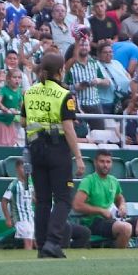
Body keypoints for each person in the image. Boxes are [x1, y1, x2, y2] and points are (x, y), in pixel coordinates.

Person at [22, 50, 83, 259]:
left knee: (42, 201)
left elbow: (23, 121)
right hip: (57, 149)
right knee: (64, 199)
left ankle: (41, 246)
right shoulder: (64, 94)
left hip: (35, 148)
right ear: (61, 70)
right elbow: (69, 129)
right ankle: (53, 242)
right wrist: (79, 157)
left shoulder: (29, 92)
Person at [72, 150, 138, 248]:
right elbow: (77, 205)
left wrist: (122, 206)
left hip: (114, 219)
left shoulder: (113, 180)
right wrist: (100, 211)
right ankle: (120, 255)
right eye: (102, 161)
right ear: (95, 162)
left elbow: (120, 198)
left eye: (108, 162)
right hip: (94, 222)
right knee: (125, 228)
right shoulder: (88, 181)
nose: (105, 165)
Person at [2, 159, 37, 250]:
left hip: (31, 216)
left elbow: (33, 199)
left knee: (36, 241)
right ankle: (27, 257)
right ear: (17, 169)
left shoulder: (30, 184)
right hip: (20, 217)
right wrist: (8, 218)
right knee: (28, 241)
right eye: (24, 168)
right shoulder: (14, 185)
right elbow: (4, 201)